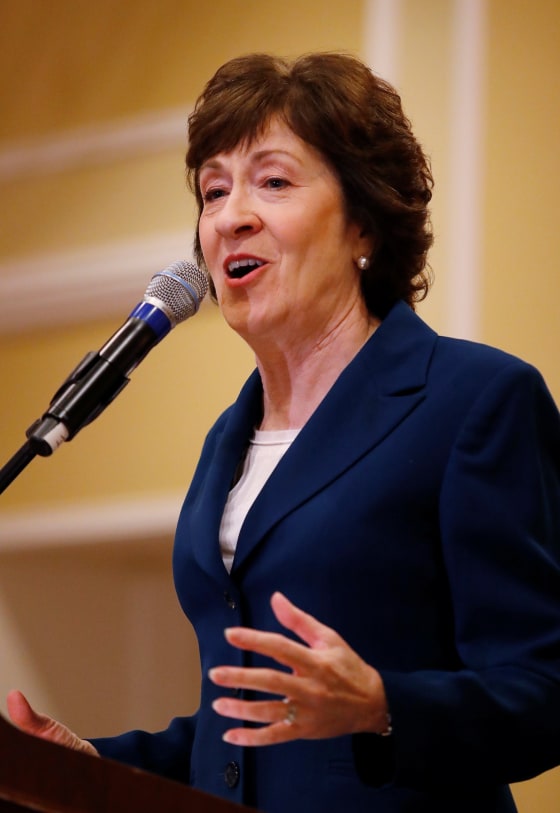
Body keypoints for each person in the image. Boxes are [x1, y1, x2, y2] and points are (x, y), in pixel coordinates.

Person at [7, 52, 560, 813]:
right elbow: (248, 727)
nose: (231, 214)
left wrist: (382, 705)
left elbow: (542, 691)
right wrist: (90, 760)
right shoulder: (225, 444)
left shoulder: (474, 403)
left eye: (273, 181)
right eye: (213, 189)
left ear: (363, 218)